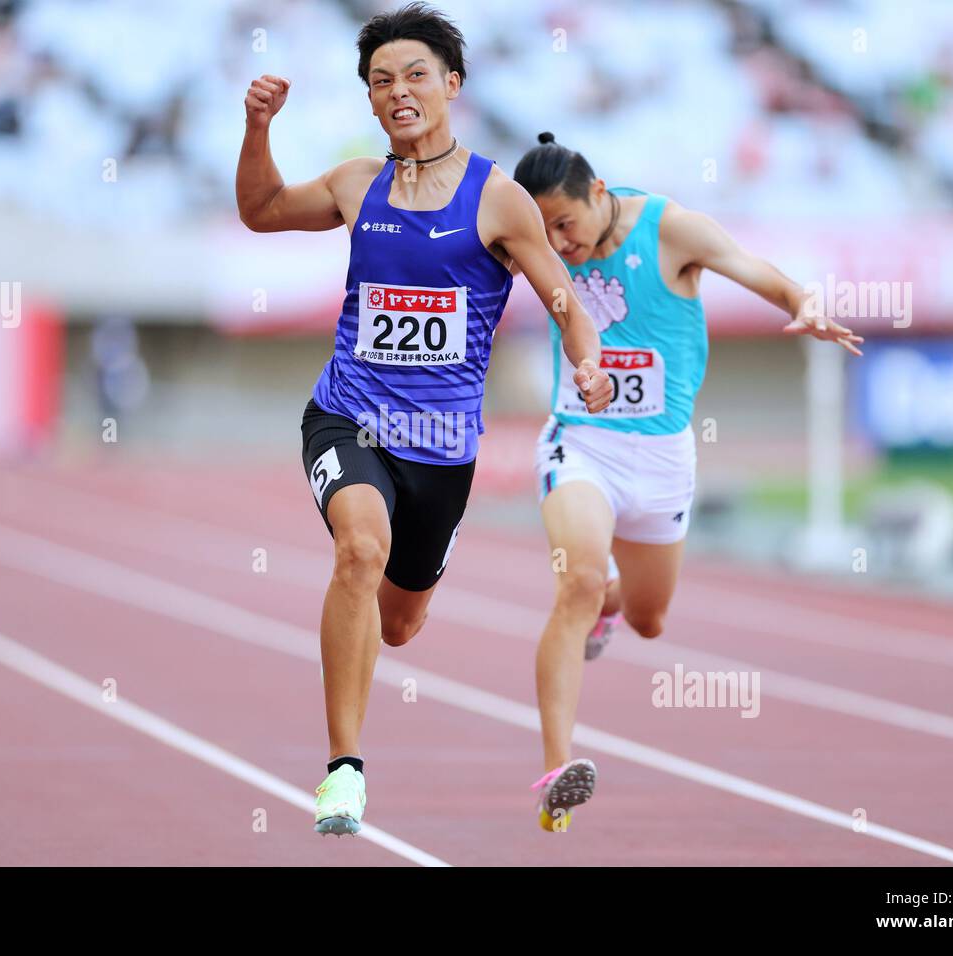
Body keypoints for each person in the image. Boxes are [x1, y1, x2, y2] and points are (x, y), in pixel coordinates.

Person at [236, 5, 612, 836]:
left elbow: (563, 299)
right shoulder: (354, 183)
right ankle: (344, 771)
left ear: (451, 85)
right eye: (380, 81)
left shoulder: (500, 199)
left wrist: (586, 360)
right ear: (370, 101)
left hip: (441, 451)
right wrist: (259, 126)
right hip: (347, 419)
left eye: (414, 76)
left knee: (400, 624)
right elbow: (260, 210)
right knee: (358, 550)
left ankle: (394, 617)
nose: (398, 92)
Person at [515, 132, 862, 831]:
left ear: (599, 194)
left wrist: (803, 301)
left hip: (666, 459)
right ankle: (557, 771)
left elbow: (753, 268)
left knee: (649, 619)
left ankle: (613, 602)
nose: (557, 243)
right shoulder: (533, 243)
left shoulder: (671, 230)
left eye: (565, 224)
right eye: (543, 230)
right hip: (580, 443)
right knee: (576, 580)